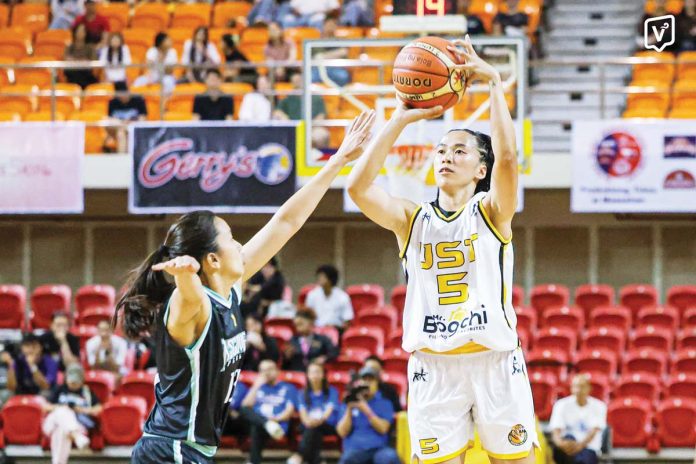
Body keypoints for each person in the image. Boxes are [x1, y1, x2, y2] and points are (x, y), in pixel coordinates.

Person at [119, 109, 375, 463]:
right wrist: (184, 276)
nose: (240, 245)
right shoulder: (190, 303)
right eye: (230, 238)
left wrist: (339, 160)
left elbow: (287, 221)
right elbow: (188, 295)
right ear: (212, 260)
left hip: (190, 451)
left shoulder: (229, 288)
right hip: (171, 450)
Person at [347, 35, 537, 464]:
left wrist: (494, 84)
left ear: (480, 168)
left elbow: (509, 161)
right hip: (432, 367)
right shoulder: (412, 220)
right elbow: (357, 188)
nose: (446, 157)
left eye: (460, 150)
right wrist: (399, 118)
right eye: (441, 150)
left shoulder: (491, 211)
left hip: (494, 360)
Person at [336, 366, 399, 464]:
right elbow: (342, 432)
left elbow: (383, 429)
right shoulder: (349, 402)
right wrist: (349, 409)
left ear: (377, 383)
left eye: (371, 380)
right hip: (355, 449)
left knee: (390, 458)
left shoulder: (385, 403)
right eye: (364, 379)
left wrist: (365, 409)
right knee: (347, 460)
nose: (367, 383)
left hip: (379, 449)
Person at [42, 363, 102, 464]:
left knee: (61, 431)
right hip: (52, 423)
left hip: (74, 424)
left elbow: (99, 408)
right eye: (71, 381)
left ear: (81, 380)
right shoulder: (59, 389)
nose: (73, 384)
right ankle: (76, 436)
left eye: (76, 382)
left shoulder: (86, 391)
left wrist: (82, 410)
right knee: (63, 411)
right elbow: (45, 407)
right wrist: (62, 407)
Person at [241, 360, 297, 464]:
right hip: (261, 424)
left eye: (269, 369)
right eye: (262, 370)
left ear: (277, 371)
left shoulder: (288, 387)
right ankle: (266, 424)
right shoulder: (259, 387)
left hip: (278, 426)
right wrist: (256, 385)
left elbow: (289, 411)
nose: (266, 373)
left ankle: (253, 461)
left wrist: (275, 419)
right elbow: (245, 405)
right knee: (246, 412)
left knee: (256, 425)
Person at [288, 361, 340, 464]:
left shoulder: (332, 391)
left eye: (317, 372)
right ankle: (318, 460)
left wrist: (317, 421)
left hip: (327, 425)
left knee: (313, 429)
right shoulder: (302, 393)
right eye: (311, 372)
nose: (315, 375)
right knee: (313, 431)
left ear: (323, 375)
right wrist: (309, 422)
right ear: (307, 375)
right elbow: (303, 416)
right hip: (308, 425)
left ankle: (299, 455)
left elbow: (327, 413)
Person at [550, 374, 607, 464]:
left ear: (589, 388)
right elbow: (556, 430)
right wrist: (560, 444)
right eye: (575, 386)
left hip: (588, 448)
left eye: (582, 386)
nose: (578, 390)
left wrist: (579, 446)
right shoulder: (561, 405)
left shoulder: (599, 406)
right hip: (566, 447)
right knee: (567, 440)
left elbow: (593, 432)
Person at [305, 264, 354, 330]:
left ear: (330, 279)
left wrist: (335, 327)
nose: (319, 279)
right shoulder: (312, 295)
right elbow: (307, 317)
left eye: (322, 276)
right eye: (318, 276)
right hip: (316, 330)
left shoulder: (343, 297)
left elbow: (347, 320)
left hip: (336, 330)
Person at [311, 17, 351, 87]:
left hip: (336, 68)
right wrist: (335, 54)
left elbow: (344, 52)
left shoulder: (341, 41)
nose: (330, 27)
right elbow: (314, 58)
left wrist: (323, 56)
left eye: (333, 25)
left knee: (343, 76)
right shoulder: (315, 42)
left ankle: (338, 96)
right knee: (309, 77)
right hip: (319, 69)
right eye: (328, 24)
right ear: (323, 25)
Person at [64, 23, 98, 89]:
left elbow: (93, 61)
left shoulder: (90, 47)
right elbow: (67, 60)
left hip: (86, 74)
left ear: (86, 33)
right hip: (72, 74)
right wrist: (82, 61)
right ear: (75, 32)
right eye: (79, 31)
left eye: (82, 31)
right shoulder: (70, 47)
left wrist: (75, 61)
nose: (80, 33)